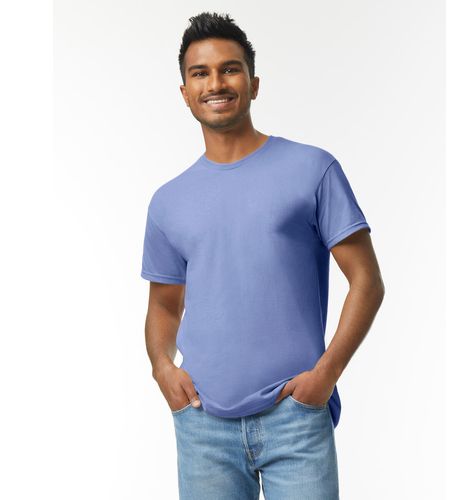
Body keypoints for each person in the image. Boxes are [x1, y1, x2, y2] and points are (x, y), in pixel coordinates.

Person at [140, 11, 385, 500]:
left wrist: (325, 376)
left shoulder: (312, 169)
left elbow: (366, 281)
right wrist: (163, 368)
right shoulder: (168, 201)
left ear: (253, 84)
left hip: (295, 417)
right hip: (203, 424)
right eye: (200, 73)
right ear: (185, 93)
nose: (215, 83)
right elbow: (164, 305)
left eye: (229, 69)